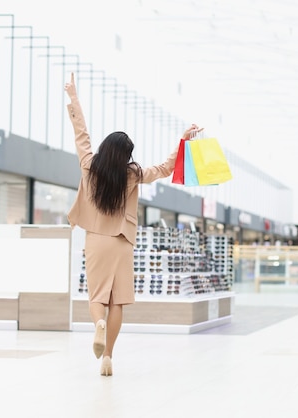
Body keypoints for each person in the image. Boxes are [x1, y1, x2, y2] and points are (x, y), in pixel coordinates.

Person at [64, 73, 202, 376]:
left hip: (96, 238)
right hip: (123, 240)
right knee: (118, 301)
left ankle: (97, 324)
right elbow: (166, 168)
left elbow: (80, 132)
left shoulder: (89, 164)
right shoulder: (134, 173)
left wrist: (73, 98)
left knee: (96, 297)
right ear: (126, 156)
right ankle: (108, 357)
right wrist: (183, 139)